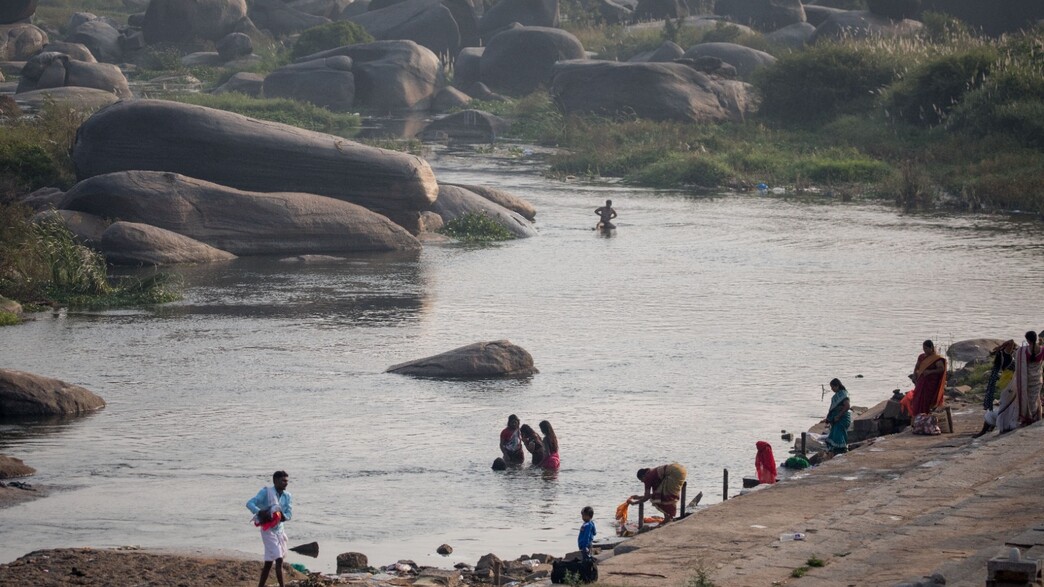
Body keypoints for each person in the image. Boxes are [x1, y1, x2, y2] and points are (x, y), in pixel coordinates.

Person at [246, 470, 293, 587]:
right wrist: (260, 512)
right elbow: (250, 503)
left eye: (287, 481)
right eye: (283, 481)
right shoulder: (265, 492)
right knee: (279, 559)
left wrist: (283, 517)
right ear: (275, 481)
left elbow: (289, 513)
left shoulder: (287, 496)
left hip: (280, 530)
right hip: (268, 530)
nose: (286, 483)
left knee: (268, 563)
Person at [974, 340, 1016, 438]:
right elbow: (1012, 342)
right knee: (1006, 407)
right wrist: (1001, 346)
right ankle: (988, 429)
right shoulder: (1007, 356)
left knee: (999, 409)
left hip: (1007, 384)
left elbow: (1011, 342)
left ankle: (986, 430)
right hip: (1009, 385)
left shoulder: (1003, 358)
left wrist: (1000, 347)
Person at [1013, 330, 1044, 426]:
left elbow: (1018, 362)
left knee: (1027, 398)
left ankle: (1029, 417)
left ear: (1027, 340)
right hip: (1037, 378)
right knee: (1034, 398)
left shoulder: (1023, 350)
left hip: (1027, 379)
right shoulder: (1042, 349)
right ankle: (1036, 416)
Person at [911, 339, 947, 417]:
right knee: (917, 398)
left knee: (928, 400)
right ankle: (917, 416)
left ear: (932, 348)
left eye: (926, 348)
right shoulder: (921, 357)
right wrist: (914, 375)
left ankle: (927, 416)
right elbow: (917, 366)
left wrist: (930, 372)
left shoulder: (936, 358)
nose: (925, 350)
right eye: (924, 348)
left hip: (931, 383)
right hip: (921, 382)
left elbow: (941, 369)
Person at [823, 378, 852, 453]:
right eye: (831, 387)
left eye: (833, 387)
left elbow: (847, 406)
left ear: (837, 386)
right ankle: (838, 449)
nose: (832, 389)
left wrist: (838, 416)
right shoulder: (837, 395)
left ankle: (841, 450)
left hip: (843, 418)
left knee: (839, 433)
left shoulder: (843, 394)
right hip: (837, 419)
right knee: (835, 433)